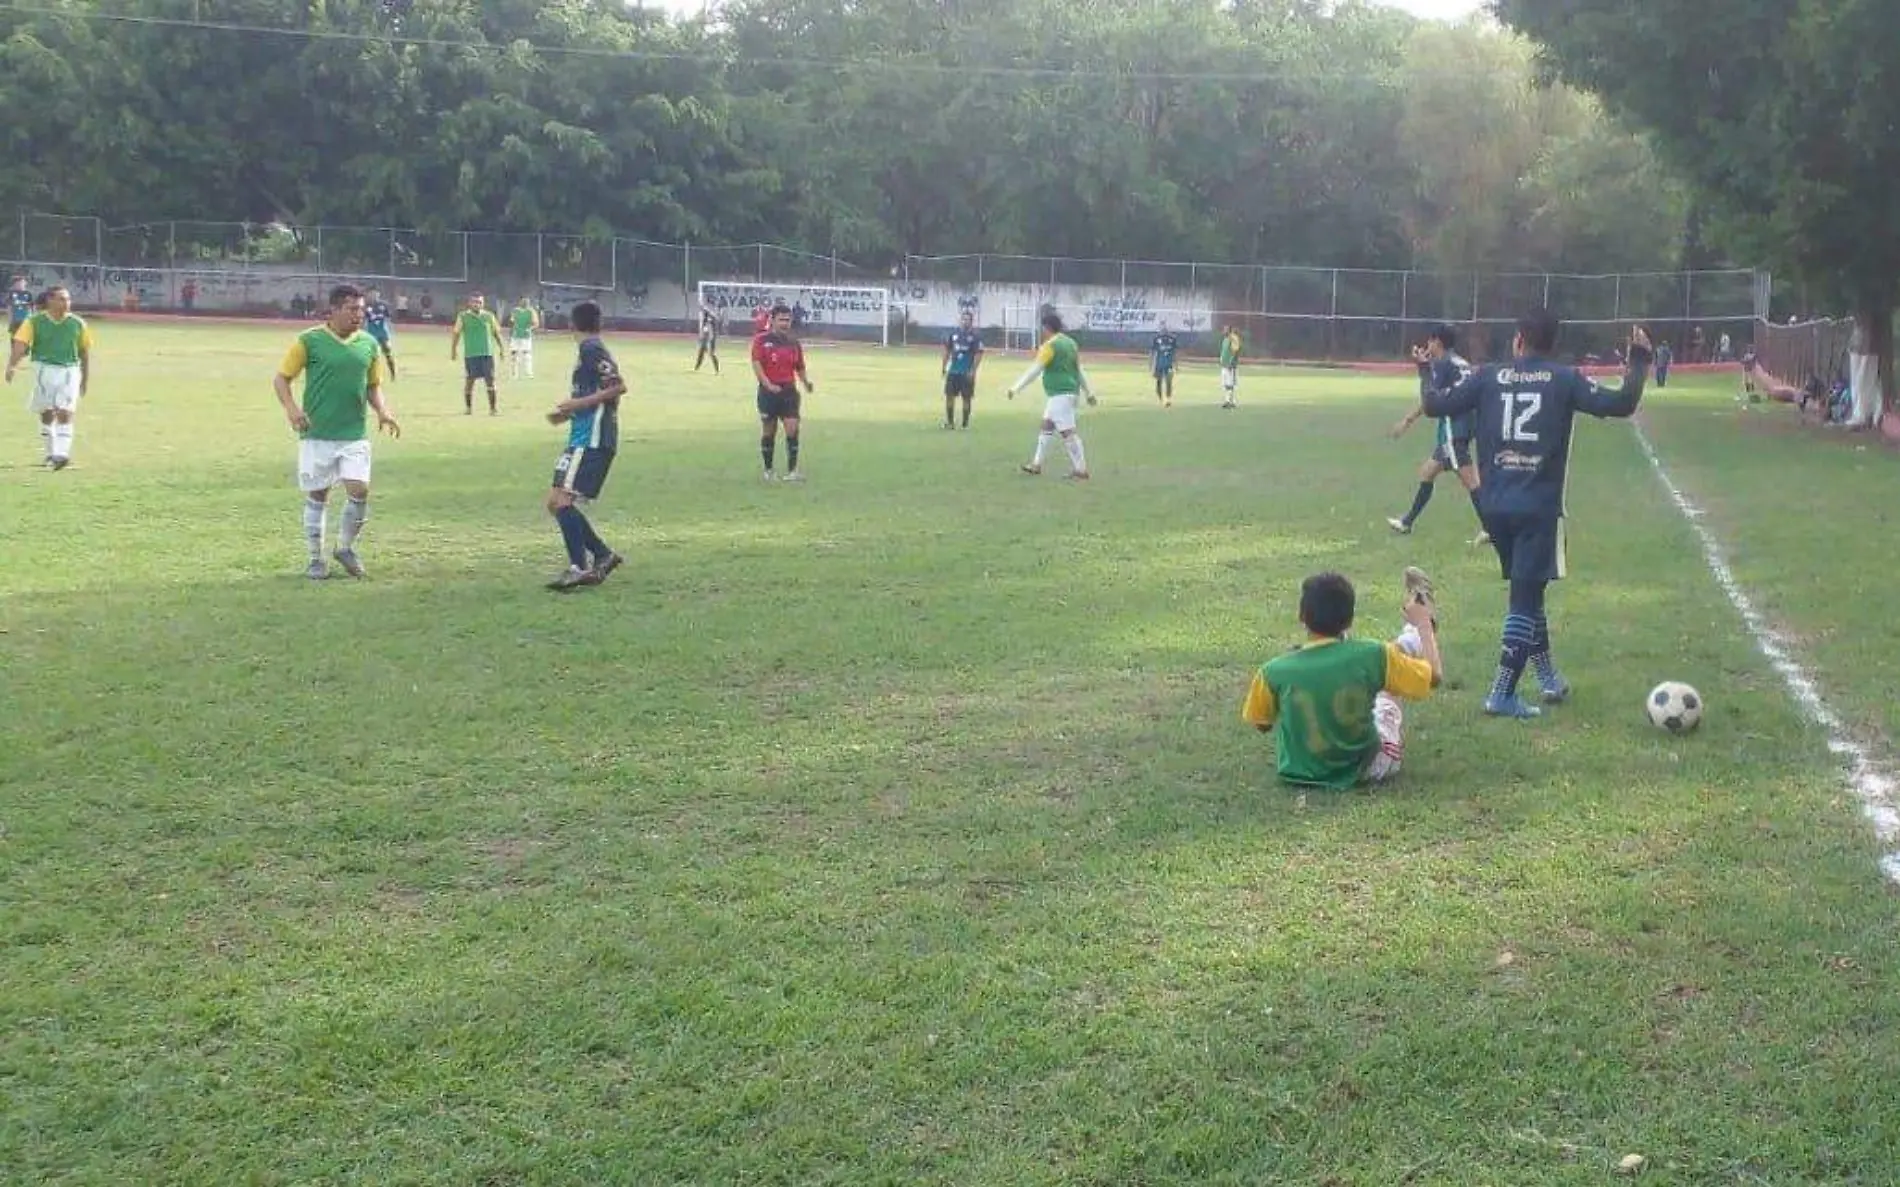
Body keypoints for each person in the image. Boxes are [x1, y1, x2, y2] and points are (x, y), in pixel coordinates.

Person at [1422, 310, 1652, 719]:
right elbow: (1622, 403)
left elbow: (1434, 405)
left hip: (1493, 506)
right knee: (1524, 599)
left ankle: (1548, 677)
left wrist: (1426, 369)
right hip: (1538, 506)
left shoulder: (1489, 376)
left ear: (1519, 340)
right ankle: (1502, 693)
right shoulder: (1565, 379)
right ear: (1552, 343)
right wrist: (1638, 360)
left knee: (1529, 591)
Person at [1241, 569, 1443, 789]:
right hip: (1365, 766)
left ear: (1302, 617)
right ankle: (1421, 628)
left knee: (1383, 661)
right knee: (1387, 685)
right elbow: (1434, 676)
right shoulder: (1373, 654)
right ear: (1350, 619)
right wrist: (1423, 624)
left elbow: (1260, 723)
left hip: (1298, 771)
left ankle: (1410, 638)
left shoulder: (1272, 671)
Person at [272, 284, 401, 580]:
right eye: (352, 309)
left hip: (353, 433)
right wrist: (292, 409)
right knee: (318, 495)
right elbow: (281, 379)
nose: (360, 314)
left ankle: (344, 548)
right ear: (334, 309)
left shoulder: (368, 344)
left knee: (359, 490)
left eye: (362, 309)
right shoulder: (309, 341)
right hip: (317, 433)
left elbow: (372, 386)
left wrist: (383, 411)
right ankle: (315, 559)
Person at [543, 299, 628, 592]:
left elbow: (618, 386)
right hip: (581, 436)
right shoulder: (587, 351)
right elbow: (598, 393)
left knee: (562, 502)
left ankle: (579, 567)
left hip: (592, 439)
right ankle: (603, 555)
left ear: (571, 324)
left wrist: (577, 404)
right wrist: (566, 413)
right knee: (555, 502)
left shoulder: (592, 349)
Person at [1386, 324, 1485, 545]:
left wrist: (1423, 368)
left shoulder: (1442, 364)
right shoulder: (1459, 362)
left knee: (1473, 483)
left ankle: (1493, 529)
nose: (1427, 346)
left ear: (1437, 342)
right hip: (1465, 425)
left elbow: (1430, 401)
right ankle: (1407, 522)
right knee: (1427, 473)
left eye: (1429, 341)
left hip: (1454, 430)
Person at [7, 284, 92, 470]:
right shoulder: (34, 322)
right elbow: (20, 345)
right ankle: (50, 453)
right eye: (62, 299)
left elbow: (84, 352)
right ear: (50, 301)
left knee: (65, 411)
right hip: (43, 369)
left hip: (69, 370)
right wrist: (11, 365)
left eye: (68, 299)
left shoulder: (77, 323)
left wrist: (85, 378)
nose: (66, 302)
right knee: (46, 413)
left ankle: (61, 455)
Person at [1005, 310, 1094, 480]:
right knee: (1047, 425)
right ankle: (1036, 464)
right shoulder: (1070, 343)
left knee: (1068, 432)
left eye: (1042, 328)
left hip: (1059, 394)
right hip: (1069, 392)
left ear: (1047, 328)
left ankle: (1081, 469)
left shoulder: (1050, 346)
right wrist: (1088, 392)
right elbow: (1079, 370)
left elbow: (1035, 370)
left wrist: (1016, 388)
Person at [752, 303, 814, 482]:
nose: (785, 324)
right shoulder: (761, 340)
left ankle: (792, 471)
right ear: (772, 320)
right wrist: (768, 385)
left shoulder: (794, 343)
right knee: (769, 431)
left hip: (788, 391)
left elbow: (799, 367)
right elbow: (757, 365)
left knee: (793, 429)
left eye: (788, 320)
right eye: (781, 320)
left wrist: (805, 382)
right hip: (768, 393)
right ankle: (768, 470)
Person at [450, 293, 504, 414]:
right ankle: (468, 408)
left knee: (490, 380)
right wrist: (453, 350)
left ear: (483, 303)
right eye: (475, 302)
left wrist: (501, 348)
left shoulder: (489, 316)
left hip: (487, 353)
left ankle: (493, 408)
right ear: (470, 303)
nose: (477, 304)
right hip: (471, 354)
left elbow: (496, 333)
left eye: (479, 302)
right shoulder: (463, 316)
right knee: (470, 380)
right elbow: (456, 334)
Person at [941, 309, 983, 429]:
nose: (965, 322)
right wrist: (944, 367)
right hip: (953, 371)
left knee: (966, 398)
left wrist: (972, 370)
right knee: (949, 396)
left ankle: (965, 424)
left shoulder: (975, 337)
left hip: (966, 372)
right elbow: (947, 351)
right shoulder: (954, 334)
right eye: (963, 319)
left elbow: (978, 354)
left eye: (967, 320)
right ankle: (950, 423)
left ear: (971, 322)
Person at [363, 286, 397, 378]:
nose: (374, 295)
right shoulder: (366, 306)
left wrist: (391, 332)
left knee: (388, 352)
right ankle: (369, 375)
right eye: (372, 293)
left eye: (375, 293)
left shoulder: (384, 305)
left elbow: (388, 319)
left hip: (382, 333)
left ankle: (393, 374)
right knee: (371, 355)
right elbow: (364, 320)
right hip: (372, 333)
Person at [507, 295, 540, 380]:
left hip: (525, 336)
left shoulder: (531, 311)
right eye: (524, 301)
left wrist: (529, 329)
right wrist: (510, 334)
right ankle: (514, 374)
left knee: (527, 355)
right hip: (516, 336)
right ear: (520, 301)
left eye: (527, 301)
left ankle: (529, 373)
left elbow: (536, 323)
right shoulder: (515, 311)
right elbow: (512, 323)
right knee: (514, 355)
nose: (525, 303)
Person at [1149, 324, 1179, 407]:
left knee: (1169, 381)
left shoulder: (1172, 339)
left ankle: (1168, 398)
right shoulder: (1156, 339)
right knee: (1159, 382)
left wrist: (1176, 365)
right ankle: (1161, 399)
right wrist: (1151, 365)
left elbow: (1175, 353)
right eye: (1162, 329)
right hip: (1159, 364)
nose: (1164, 330)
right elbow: (1153, 353)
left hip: (1168, 364)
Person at [694, 299, 721, 374]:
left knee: (711, 353)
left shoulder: (713, 316)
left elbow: (713, 317)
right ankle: (697, 367)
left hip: (711, 337)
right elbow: (705, 326)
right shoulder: (707, 316)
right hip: (706, 336)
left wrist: (703, 307)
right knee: (701, 351)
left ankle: (717, 370)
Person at [1218, 324, 1242, 408]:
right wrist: (1221, 359)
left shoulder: (1233, 338)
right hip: (1224, 365)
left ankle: (1228, 401)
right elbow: (1223, 351)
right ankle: (1231, 401)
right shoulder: (1225, 339)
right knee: (1225, 384)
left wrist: (1231, 363)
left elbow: (1235, 351)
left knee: (1230, 383)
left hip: (1230, 366)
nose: (1224, 331)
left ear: (1229, 330)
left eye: (1226, 329)